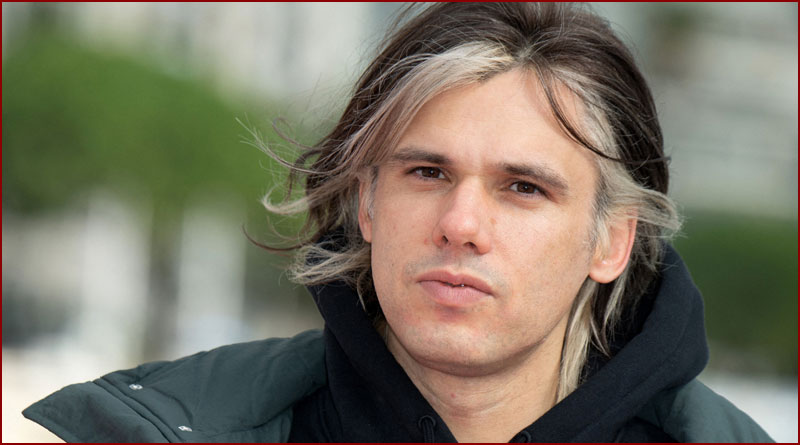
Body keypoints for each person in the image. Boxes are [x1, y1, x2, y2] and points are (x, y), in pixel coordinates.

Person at [24, 3, 773, 442]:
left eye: (522, 187)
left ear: (612, 240)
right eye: (427, 172)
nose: (461, 222)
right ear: (367, 202)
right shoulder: (159, 428)